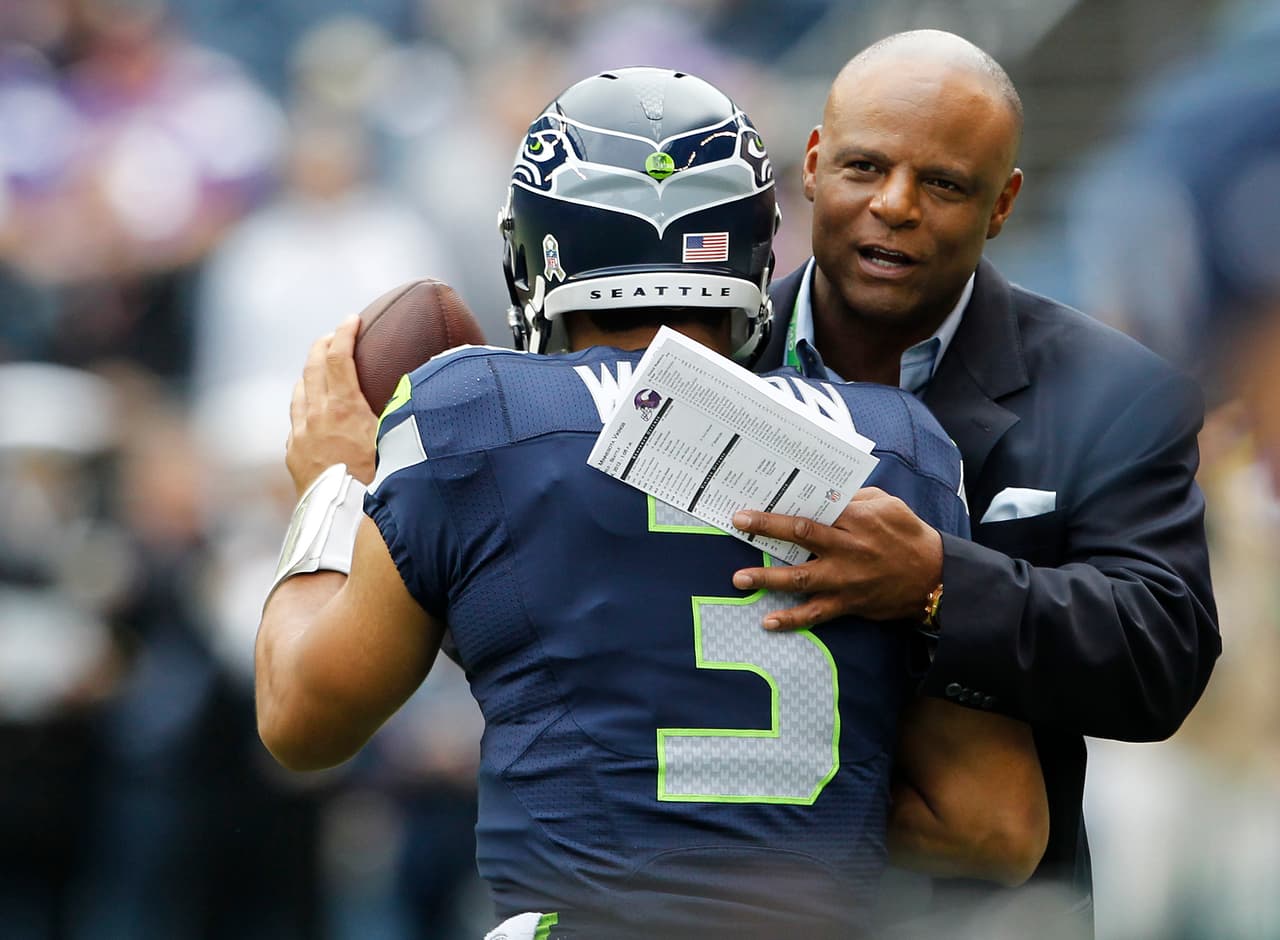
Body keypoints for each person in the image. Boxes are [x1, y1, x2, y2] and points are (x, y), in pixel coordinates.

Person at [255, 67, 1048, 939]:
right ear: (753, 246)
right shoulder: (900, 442)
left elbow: (301, 720)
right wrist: (774, 804)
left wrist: (331, 488)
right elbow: (995, 826)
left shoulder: (474, 411)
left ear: (539, 251)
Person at [734, 29, 1220, 936]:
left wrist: (936, 584)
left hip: (981, 914)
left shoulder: (1115, 393)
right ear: (809, 164)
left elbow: (1163, 654)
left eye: (945, 184)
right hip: (723, 900)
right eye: (864, 166)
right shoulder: (700, 358)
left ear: (1004, 205)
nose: (895, 205)